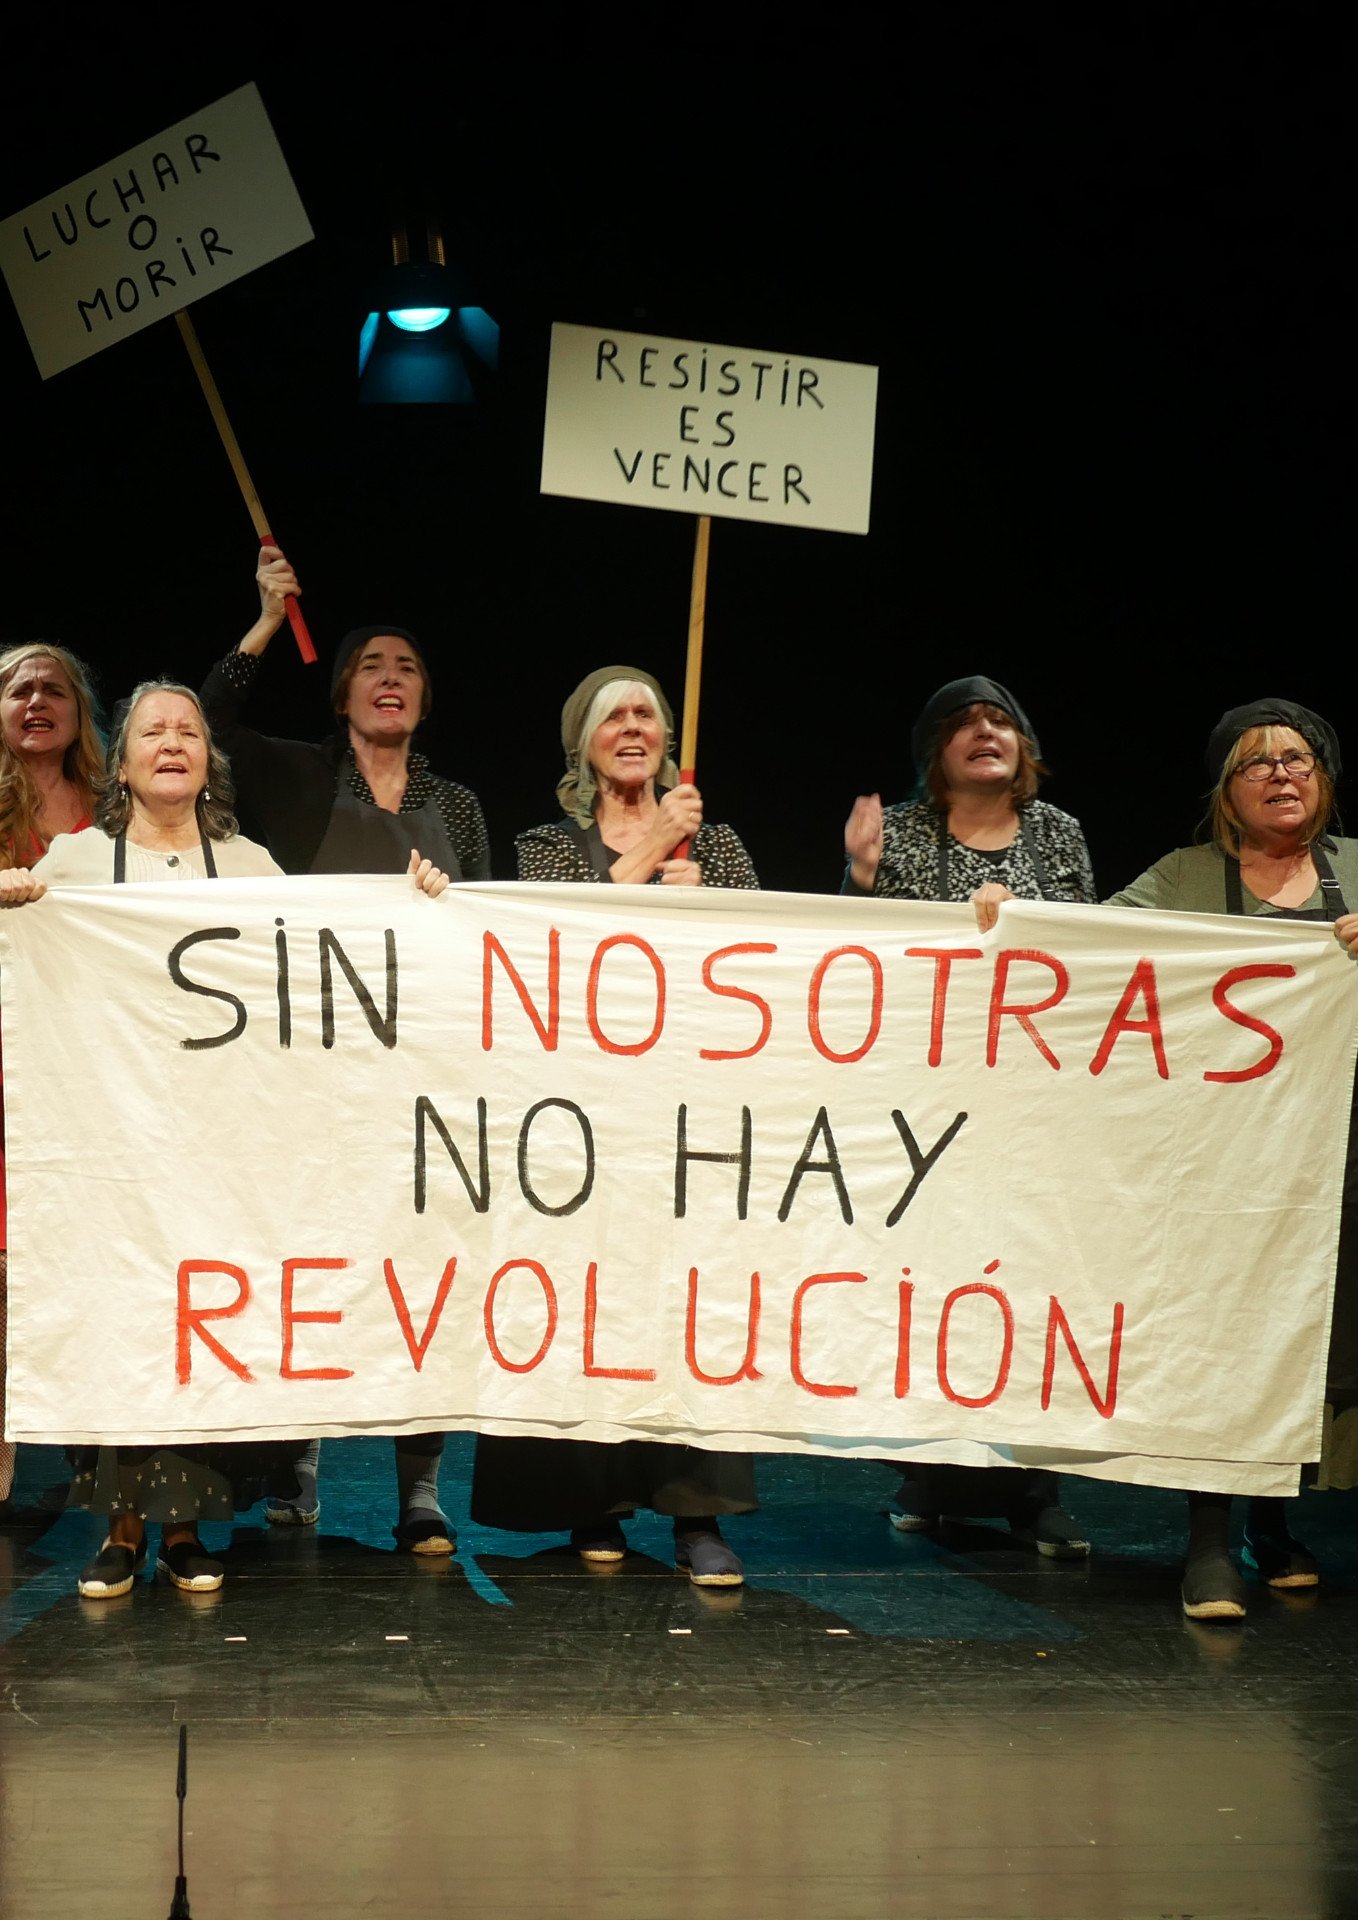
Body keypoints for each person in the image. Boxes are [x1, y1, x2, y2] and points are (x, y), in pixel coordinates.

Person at [0, 681, 450, 1598]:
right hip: (114, 1148)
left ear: (210, 761)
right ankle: (121, 1531)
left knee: (194, 1328)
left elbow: (319, 958)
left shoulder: (249, 865)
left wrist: (413, 906)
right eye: (152, 731)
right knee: (124, 1327)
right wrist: (10, 902)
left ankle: (186, 1531)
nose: (172, 743)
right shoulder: (76, 863)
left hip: (217, 1150)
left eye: (189, 732)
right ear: (123, 763)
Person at [199, 547, 490, 1552]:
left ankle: (421, 1489)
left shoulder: (457, 805)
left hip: (425, 1072)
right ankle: (300, 1458)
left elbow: (492, 930)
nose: (390, 677)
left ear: (425, 696)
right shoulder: (295, 775)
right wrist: (264, 621)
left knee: (422, 1273)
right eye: (371, 664)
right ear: (341, 694)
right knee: (312, 1259)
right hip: (312, 1069)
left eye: (407, 667)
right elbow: (209, 723)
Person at [471, 665, 758, 1586]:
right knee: (586, 1296)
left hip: (684, 1112)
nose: (632, 727)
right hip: (580, 1115)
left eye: (647, 714)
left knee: (683, 1301)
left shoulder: (719, 845)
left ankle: (695, 1513)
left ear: (669, 738)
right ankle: (591, 1504)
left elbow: (765, 960)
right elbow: (558, 937)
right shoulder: (546, 847)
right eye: (613, 717)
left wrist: (712, 898)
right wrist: (655, 849)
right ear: (582, 745)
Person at [1100, 699, 1358, 1619]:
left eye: (1298, 759)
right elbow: (1085, 947)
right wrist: (1005, 915)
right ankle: (1209, 1540)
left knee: (1315, 1341)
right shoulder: (1186, 876)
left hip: (1340, 1156)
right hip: (1224, 1157)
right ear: (1226, 790)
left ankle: (1274, 1522)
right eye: (1258, 763)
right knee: (1221, 1336)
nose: (1281, 774)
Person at [843, 674, 1096, 1558]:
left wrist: (1025, 927)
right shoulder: (904, 832)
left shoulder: (1058, 832)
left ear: (1023, 746)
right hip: (927, 1096)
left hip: (1031, 1099)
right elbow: (865, 959)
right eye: (965, 724)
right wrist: (861, 875)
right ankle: (927, 1474)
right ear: (935, 751)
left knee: (1028, 1285)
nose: (986, 733)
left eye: (1001, 721)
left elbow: (1092, 953)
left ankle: (1035, 1488)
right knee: (932, 1288)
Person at [0, 643, 104, 1516]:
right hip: (6, 1064)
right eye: (18, 689)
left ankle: (98, 1452)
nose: (37, 701)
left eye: (54, 689)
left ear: (79, 711)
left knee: (87, 1249)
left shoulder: (115, 811)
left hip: (92, 1065)